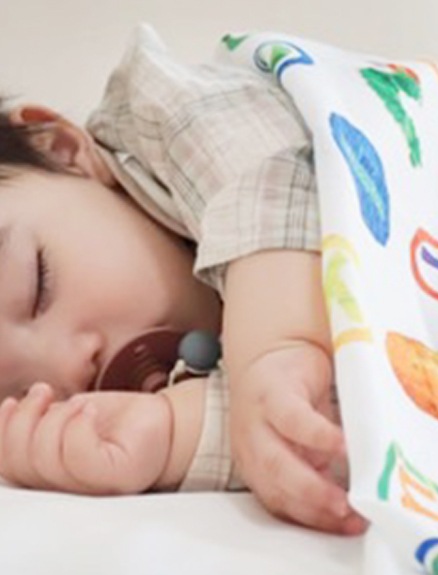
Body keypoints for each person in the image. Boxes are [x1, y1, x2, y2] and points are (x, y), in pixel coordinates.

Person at [0, 25, 366, 536]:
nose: (70, 369)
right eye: (16, 391)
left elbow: (272, 173)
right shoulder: (155, 397)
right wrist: (176, 433)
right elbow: (364, 429)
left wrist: (275, 348)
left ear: (62, 151)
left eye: (39, 285)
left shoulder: (163, 113)